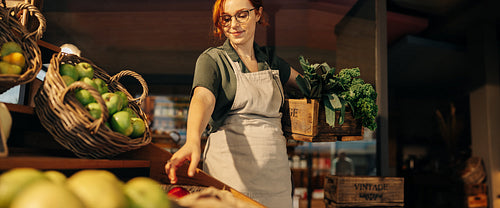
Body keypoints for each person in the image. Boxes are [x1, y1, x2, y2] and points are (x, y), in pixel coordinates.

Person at [164, 0, 301, 207]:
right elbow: (203, 97)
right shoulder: (213, 60)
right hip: (230, 177)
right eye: (226, 18)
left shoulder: (272, 62)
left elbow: (307, 86)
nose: (233, 24)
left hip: (276, 180)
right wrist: (193, 139)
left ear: (258, 14)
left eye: (242, 15)